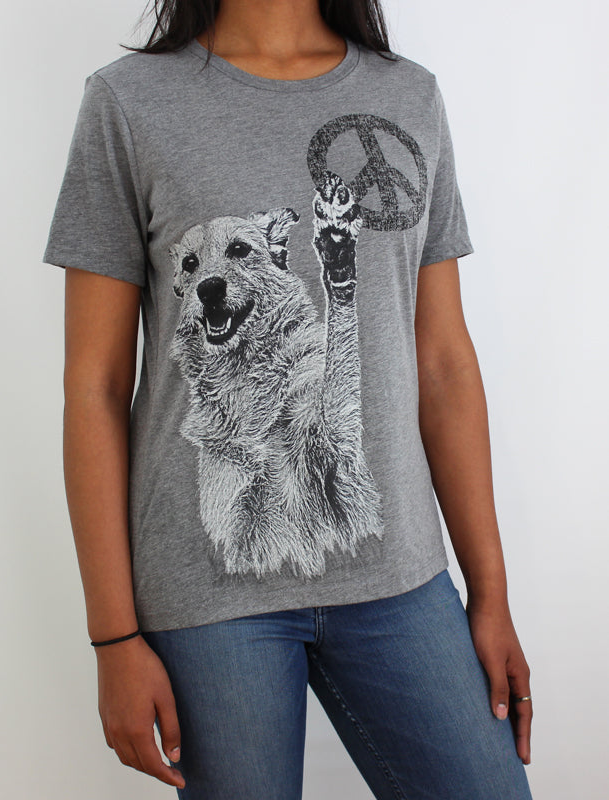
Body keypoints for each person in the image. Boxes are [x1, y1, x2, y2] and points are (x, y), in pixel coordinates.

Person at [42, 1, 534, 797]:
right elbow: (94, 387)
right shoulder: (128, 102)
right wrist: (113, 637)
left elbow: (443, 363)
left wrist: (491, 594)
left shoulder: (407, 96)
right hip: (210, 591)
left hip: (396, 576)